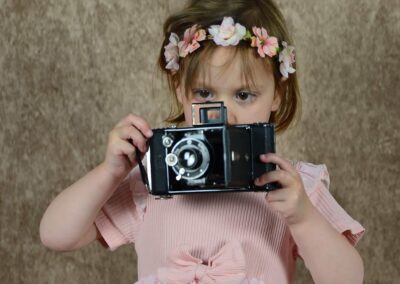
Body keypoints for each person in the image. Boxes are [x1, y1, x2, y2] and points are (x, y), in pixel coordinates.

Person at [40, 0, 365, 283]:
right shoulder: (153, 181)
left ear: (277, 95)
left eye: (243, 95)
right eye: (205, 93)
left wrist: (304, 217)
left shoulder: (292, 186)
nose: (224, 113)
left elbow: (347, 279)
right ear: (181, 90)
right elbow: (56, 235)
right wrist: (109, 172)